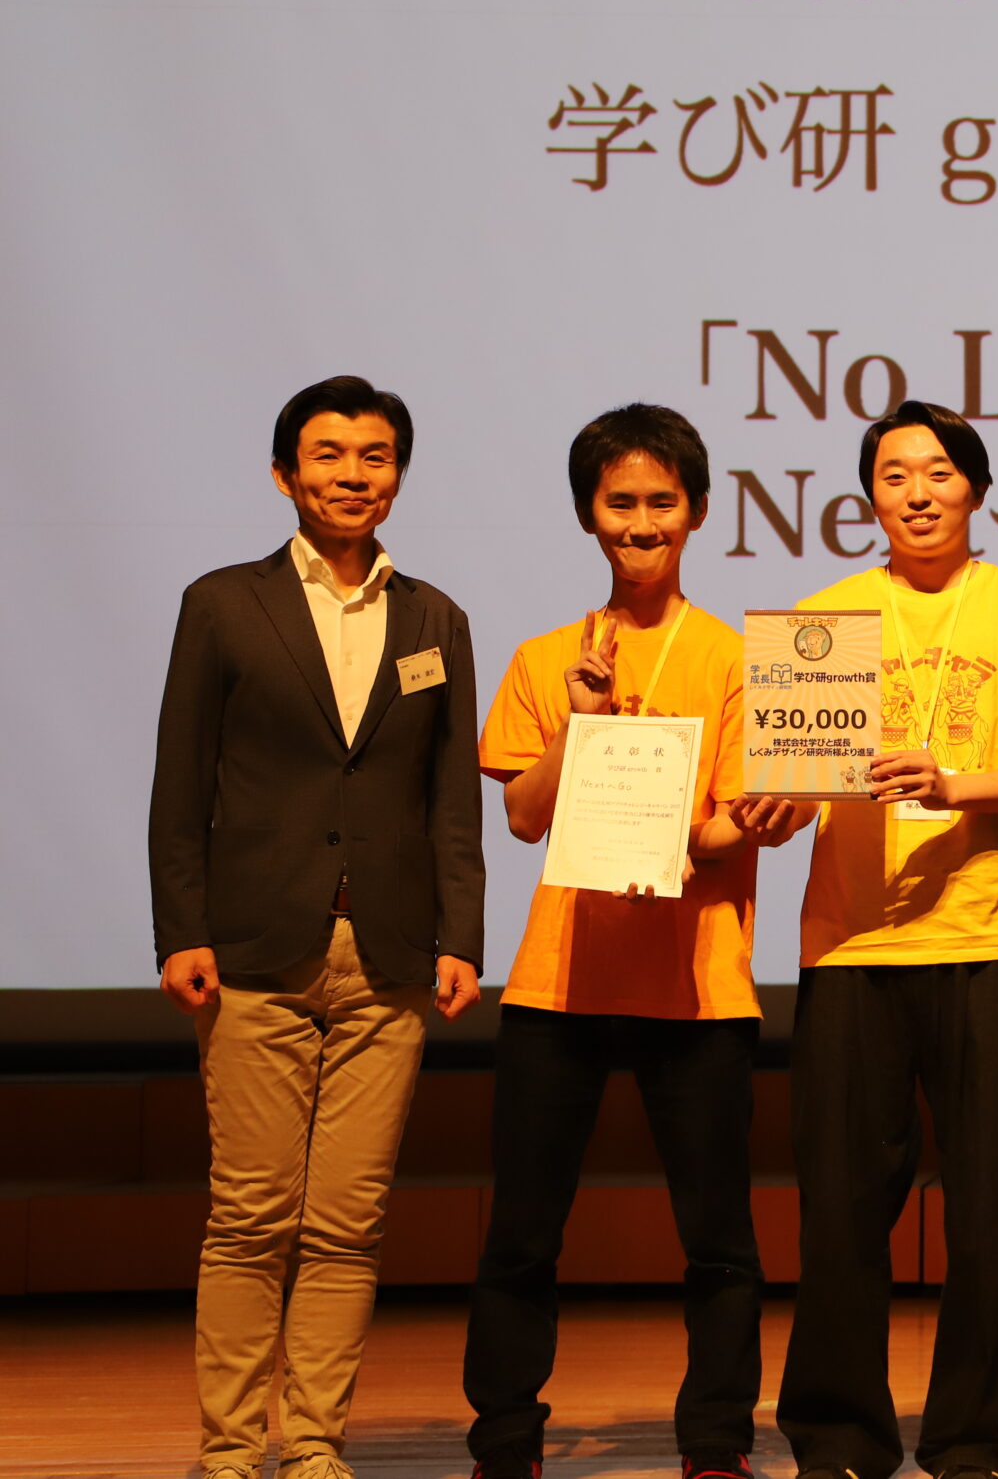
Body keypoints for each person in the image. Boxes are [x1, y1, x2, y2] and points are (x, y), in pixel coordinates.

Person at [148, 375, 485, 1479]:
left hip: (388, 955)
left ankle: (313, 1444)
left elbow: (451, 799)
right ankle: (231, 1447)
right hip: (252, 948)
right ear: (285, 473)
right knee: (251, 1216)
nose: (353, 474)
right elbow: (180, 782)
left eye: (375, 456)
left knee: (348, 1221)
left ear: (399, 476)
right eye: (329, 454)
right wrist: (180, 929)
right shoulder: (222, 603)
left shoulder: (435, 618)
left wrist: (461, 936)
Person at [463, 405, 799, 1479]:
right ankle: (504, 1442)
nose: (642, 522)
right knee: (522, 1233)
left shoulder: (742, 659)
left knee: (719, 1241)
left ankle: (716, 1446)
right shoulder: (544, 657)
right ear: (587, 515)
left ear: (695, 512)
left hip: (698, 989)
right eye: (620, 503)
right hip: (558, 983)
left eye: (662, 501)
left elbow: (725, 826)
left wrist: (744, 823)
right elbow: (524, 817)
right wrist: (581, 723)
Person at [775, 401, 998, 1479]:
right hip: (850, 951)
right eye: (894, 474)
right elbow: (796, 786)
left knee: (989, 1215)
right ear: (869, 495)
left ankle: (973, 1439)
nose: (917, 492)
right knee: (839, 1210)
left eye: (939, 471)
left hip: (989, 943)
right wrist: (774, 804)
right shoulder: (824, 618)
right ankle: (837, 1437)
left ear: (977, 487)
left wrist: (949, 783)